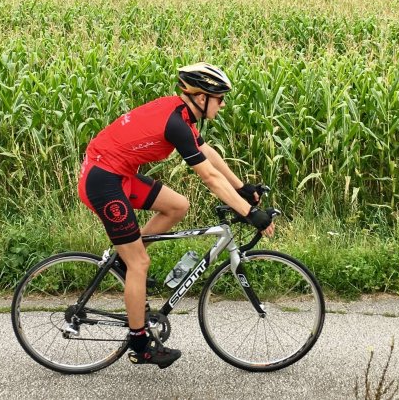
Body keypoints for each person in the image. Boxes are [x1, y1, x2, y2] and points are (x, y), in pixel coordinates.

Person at [77, 62, 274, 369]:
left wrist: (243, 188)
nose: (222, 104)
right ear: (200, 96)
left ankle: (124, 261)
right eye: (219, 98)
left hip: (119, 175)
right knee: (139, 262)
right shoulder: (176, 123)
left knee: (177, 206)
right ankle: (140, 344)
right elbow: (208, 177)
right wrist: (248, 211)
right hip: (103, 181)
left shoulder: (182, 116)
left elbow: (209, 155)